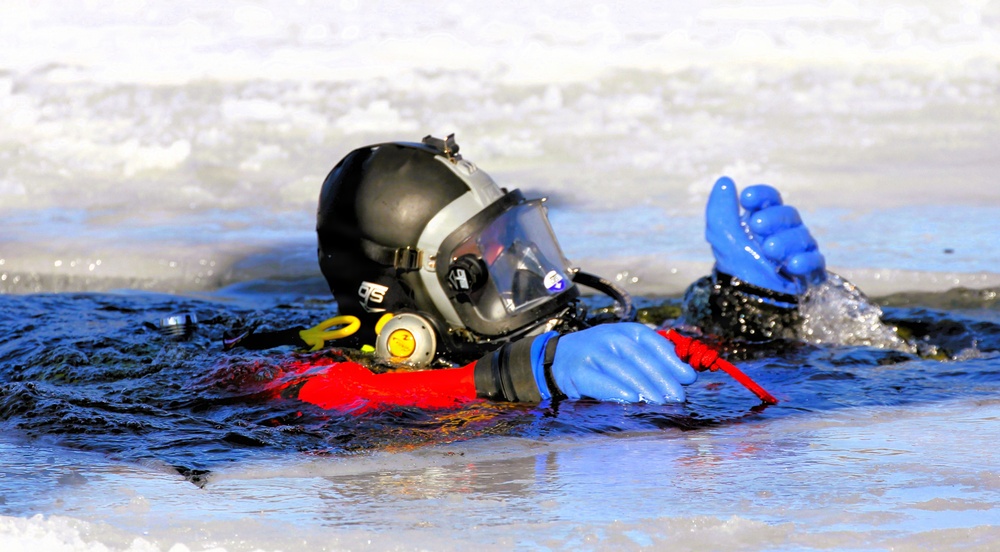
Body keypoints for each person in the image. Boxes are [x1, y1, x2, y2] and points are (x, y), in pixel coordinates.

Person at [227, 135, 826, 410]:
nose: (521, 271)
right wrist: (522, 374)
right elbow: (327, 393)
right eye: (479, 262)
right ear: (404, 304)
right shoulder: (306, 378)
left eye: (512, 241)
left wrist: (754, 310)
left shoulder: (555, 346)